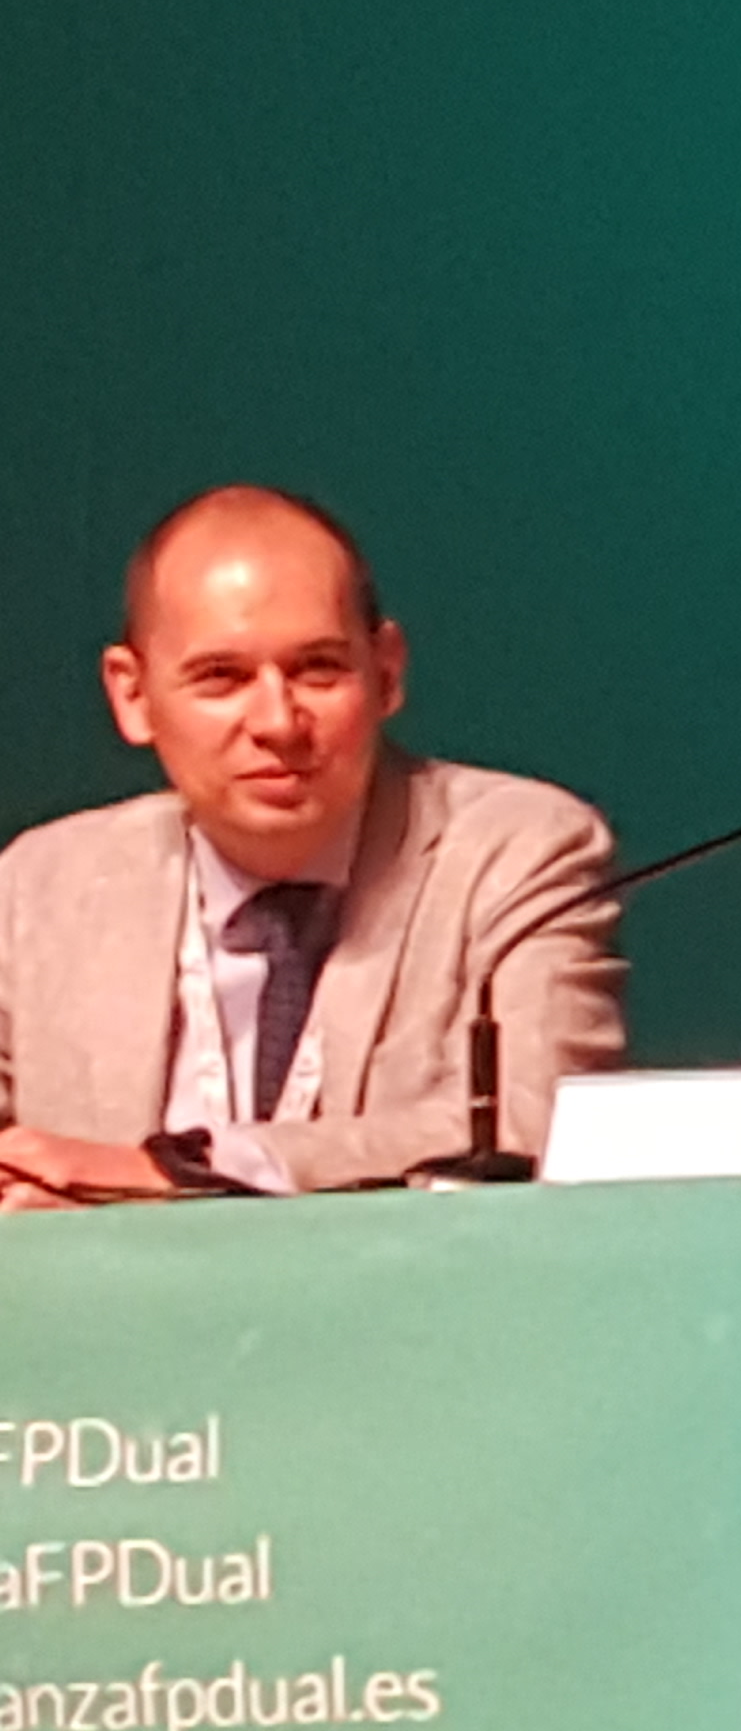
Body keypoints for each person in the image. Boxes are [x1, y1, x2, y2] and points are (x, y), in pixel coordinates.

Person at [0, 487, 625, 1200]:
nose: (278, 722)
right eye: (221, 678)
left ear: (386, 672)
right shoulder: (39, 885)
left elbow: (528, 1122)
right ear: (133, 696)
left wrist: (182, 1171)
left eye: (317, 669)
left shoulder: (516, 853)